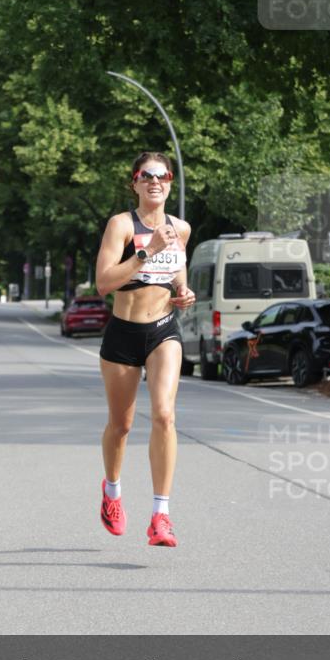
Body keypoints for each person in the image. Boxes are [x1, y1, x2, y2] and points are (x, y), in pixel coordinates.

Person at [95, 151, 196, 547]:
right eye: (146, 176)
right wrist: (147, 250)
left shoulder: (181, 229)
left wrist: (183, 292)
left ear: (170, 183)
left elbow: (178, 273)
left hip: (162, 331)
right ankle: (113, 493)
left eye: (163, 175)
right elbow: (103, 283)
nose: (156, 181)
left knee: (165, 415)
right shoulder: (121, 225)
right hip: (122, 334)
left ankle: (161, 515)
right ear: (134, 183)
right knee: (121, 426)